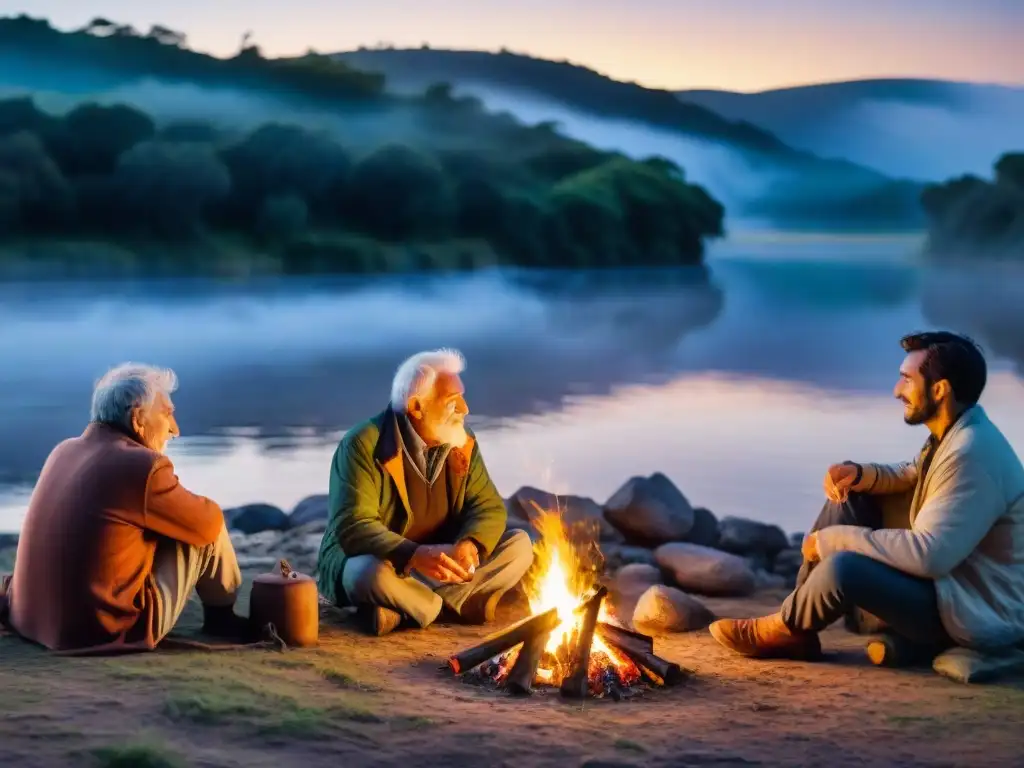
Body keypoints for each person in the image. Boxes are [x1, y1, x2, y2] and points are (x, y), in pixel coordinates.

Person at [710, 331, 1024, 666]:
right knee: (849, 499)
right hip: (951, 590)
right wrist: (859, 474)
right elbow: (912, 473)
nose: (896, 390)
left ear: (939, 389)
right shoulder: (955, 433)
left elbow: (931, 556)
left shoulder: (970, 453)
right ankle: (795, 625)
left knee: (845, 567)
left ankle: (790, 625)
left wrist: (834, 541)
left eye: (906, 380)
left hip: (975, 612)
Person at [1, 363, 252, 652]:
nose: (175, 430)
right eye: (168, 414)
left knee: (167, 522)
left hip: (30, 618)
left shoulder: (63, 450)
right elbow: (208, 523)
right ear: (138, 420)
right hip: (97, 630)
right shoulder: (142, 467)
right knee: (209, 523)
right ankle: (222, 620)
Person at [317, 348, 534, 636]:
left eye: (462, 396)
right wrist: (416, 554)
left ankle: (406, 610)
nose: (465, 409)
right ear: (416, 407)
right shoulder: (361, 444)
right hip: (391, 562)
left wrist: (469, 544)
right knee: (366, 574)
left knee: (520, 545)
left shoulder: (461, 440)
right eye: (452, 401)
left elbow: (488, 507)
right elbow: (354, 526)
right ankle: (452, 604)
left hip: (442, 561)